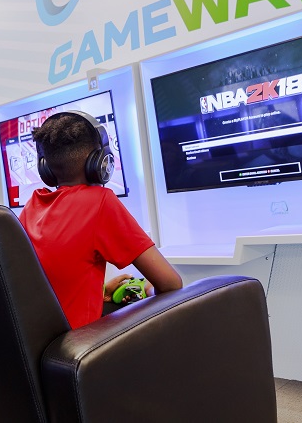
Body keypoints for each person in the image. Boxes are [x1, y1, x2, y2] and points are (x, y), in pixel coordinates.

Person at [19, 111, 183, 329]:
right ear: (100, 160)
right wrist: (147, 290)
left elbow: (54, 283)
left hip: (43, 339)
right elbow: (171, 284)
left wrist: (101, 290)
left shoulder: (32, 206)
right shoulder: (100, 202)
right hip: (81, 342)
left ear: (45, 167)